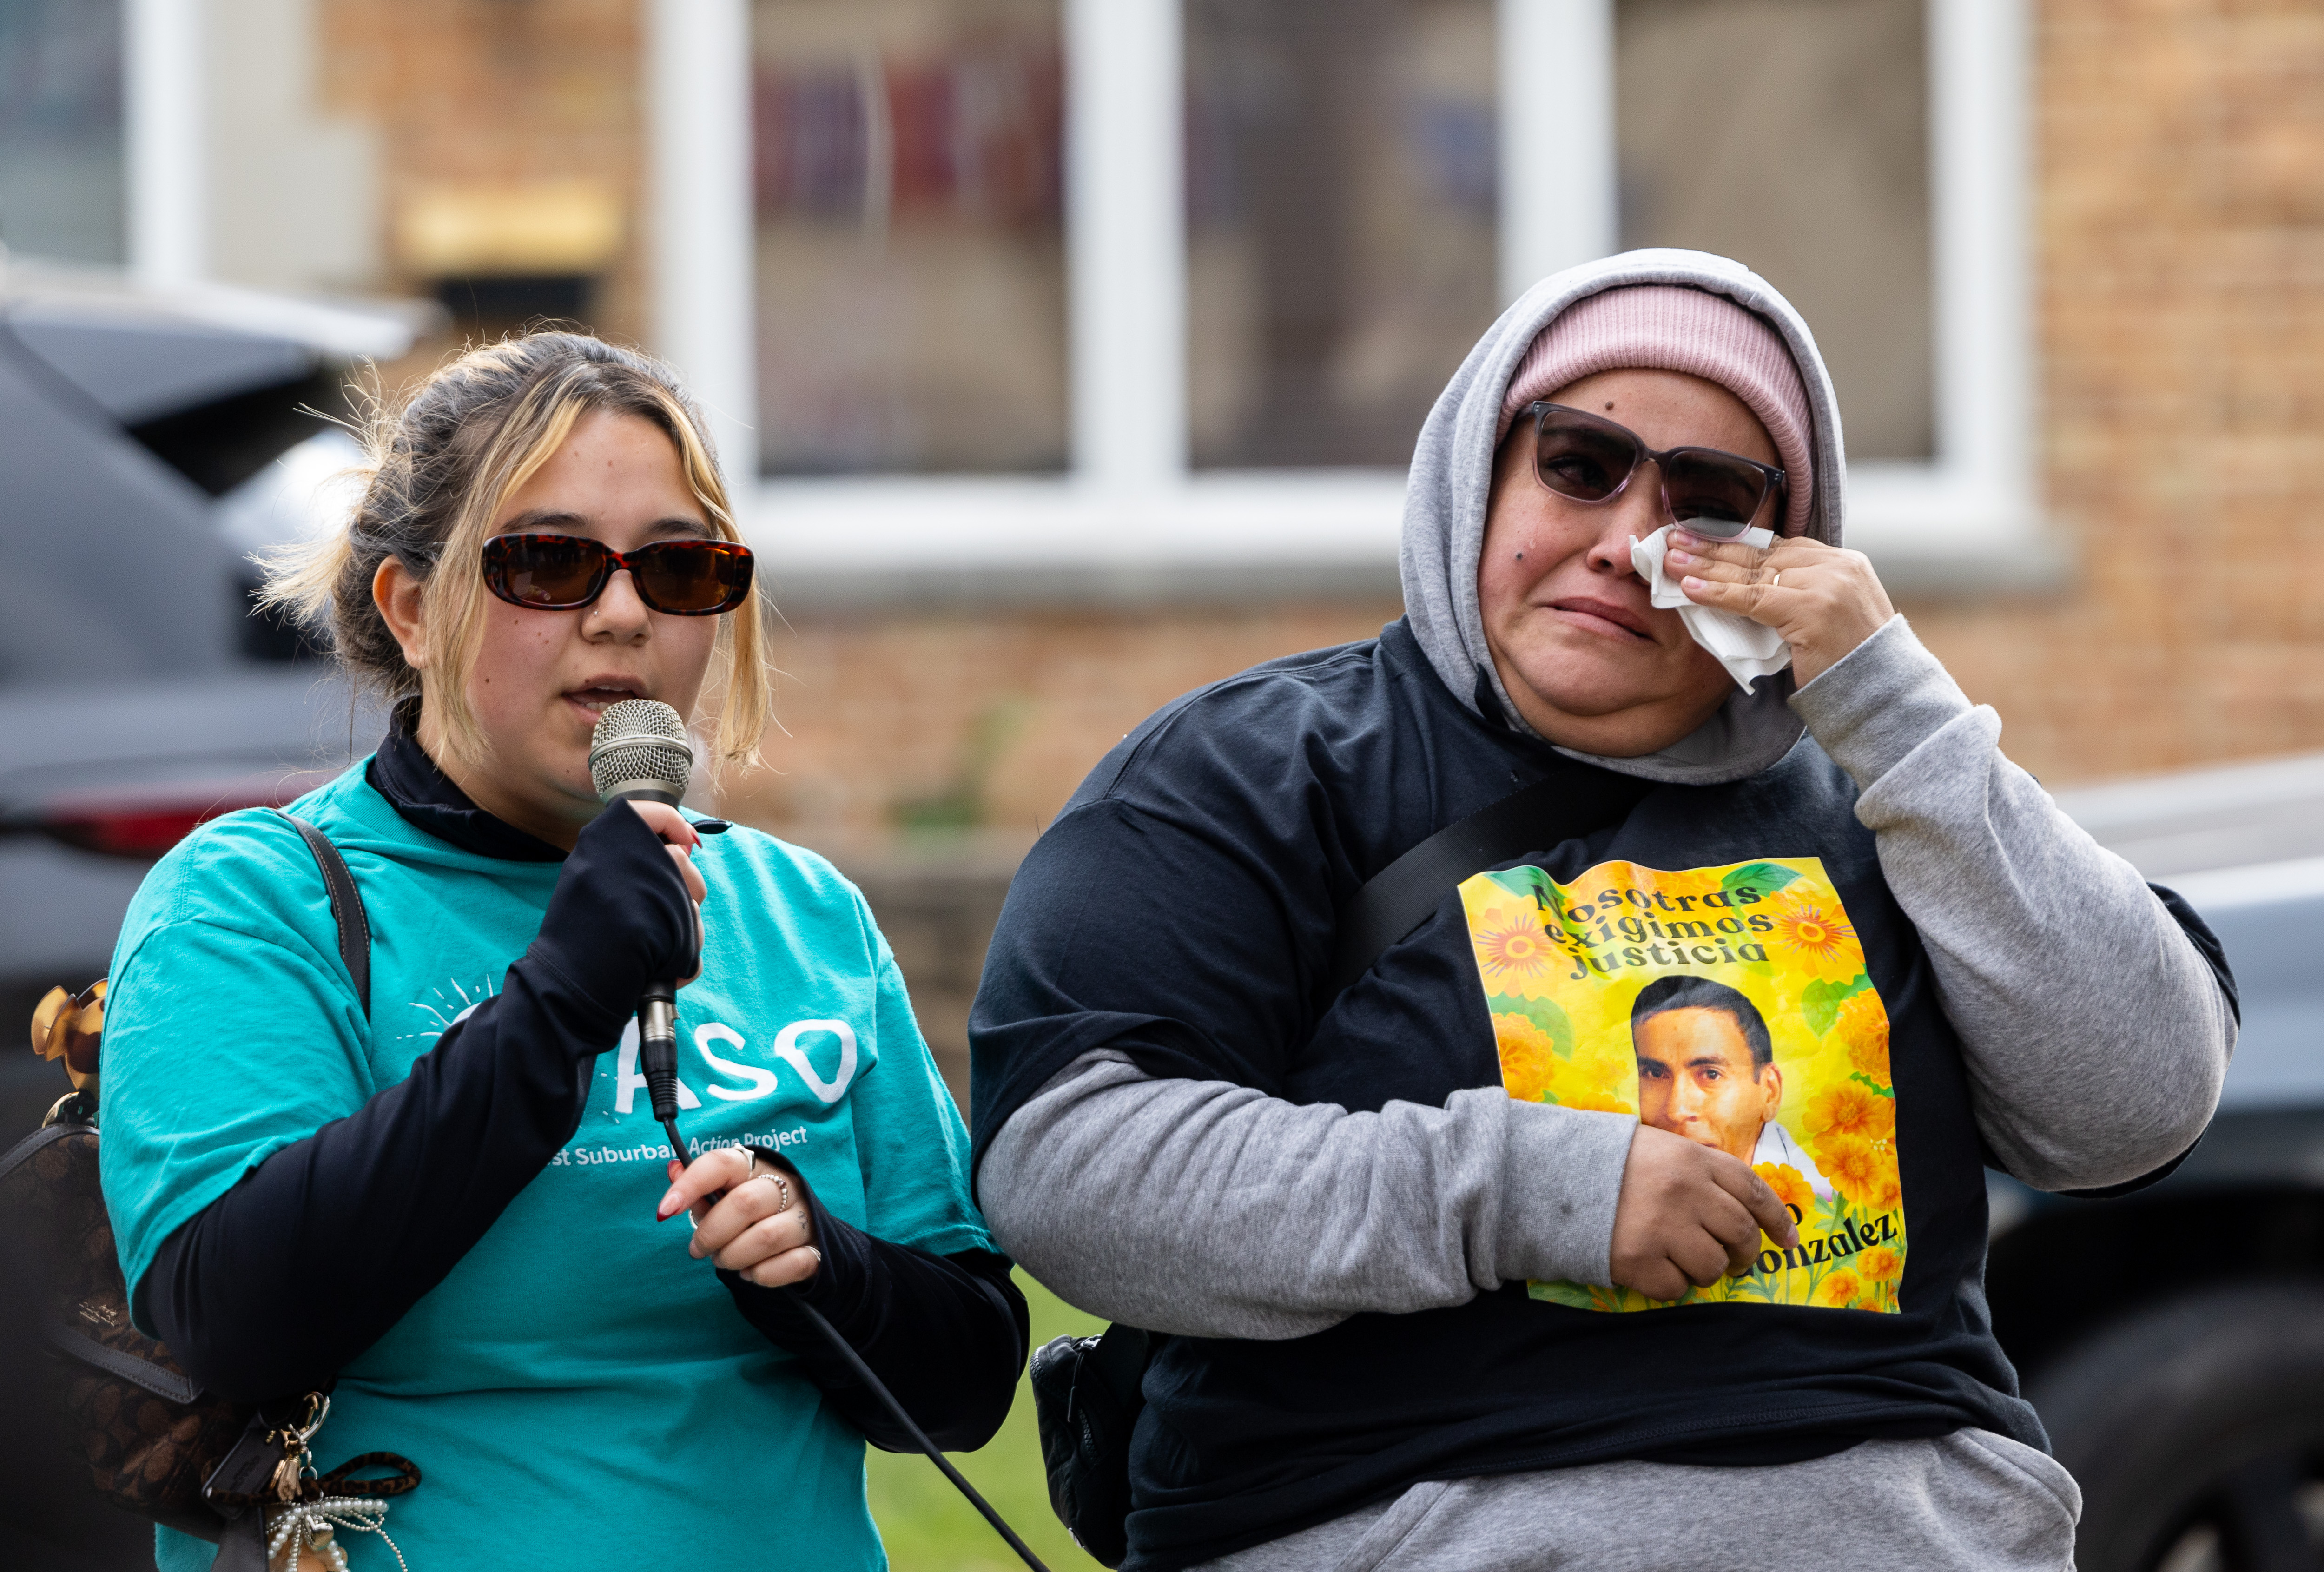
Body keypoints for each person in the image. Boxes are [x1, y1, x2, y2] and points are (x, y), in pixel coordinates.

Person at [968, 251, 2236, 1571]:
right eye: (1581, 462)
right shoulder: (1260, 768)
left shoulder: (1897, 799)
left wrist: (1893, 704)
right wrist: (1528, 1188)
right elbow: (1074, 1166)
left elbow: (2138, 1102)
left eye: (1709, 501)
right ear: (1483, 473)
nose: (1630, 541)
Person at [97, 332, 1027, 1571]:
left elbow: (967, 1384)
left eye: (680, 565)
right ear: (413, 609)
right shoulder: (253, 902)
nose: (627, 612)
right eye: (550, 560)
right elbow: (237, 1320)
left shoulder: (797, 908)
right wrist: (560, 999)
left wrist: (823, 1262)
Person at [1629, 976, 1832, 1197]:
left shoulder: (1826, 1205)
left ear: (1770, 1091)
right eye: (1655, 1073)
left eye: (1711, 1074)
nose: (1676, 1111)